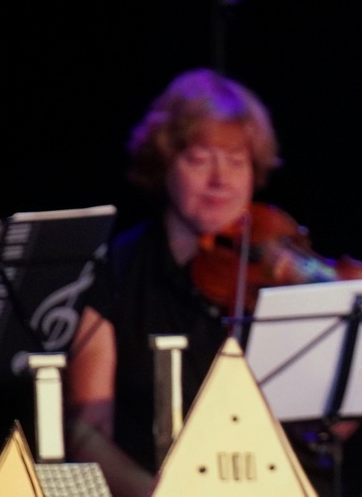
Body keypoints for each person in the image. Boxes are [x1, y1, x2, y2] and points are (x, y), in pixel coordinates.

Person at [66, 69, 281, 497]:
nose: (220, 180)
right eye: (199, 160)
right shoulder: (114, 271)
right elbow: (86, 431)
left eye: (236, 161)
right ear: (165, 164)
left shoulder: (275, 268)